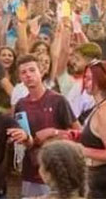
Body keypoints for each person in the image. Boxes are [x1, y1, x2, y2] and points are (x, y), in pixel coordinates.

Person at [14, 54, 79, 197]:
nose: (28, 75)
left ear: (41, 71)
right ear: (20, 78)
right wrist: (24, 139)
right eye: (23, 72)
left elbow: (78, 133)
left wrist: (53, 132)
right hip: (31, 171)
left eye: (32, 70)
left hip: (57, 172)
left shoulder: (58, 100)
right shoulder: (21, 105)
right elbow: (28, 141)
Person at [77, 59, 106, 198]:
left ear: (101, 81)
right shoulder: (98, 107)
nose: (85, 82)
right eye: (85, 77)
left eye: (90, 78)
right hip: (96, 178)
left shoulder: (105, 112)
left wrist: (81, 150)